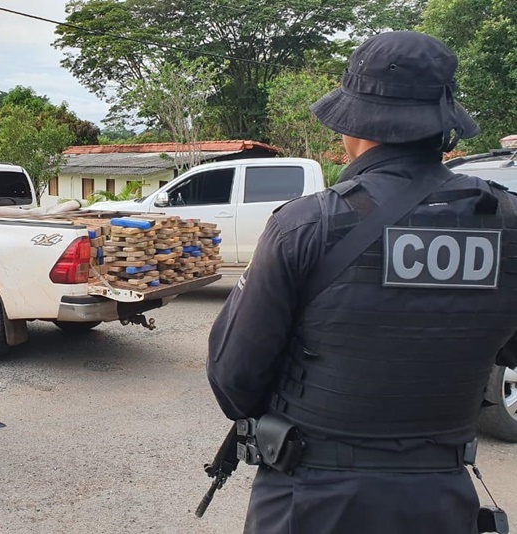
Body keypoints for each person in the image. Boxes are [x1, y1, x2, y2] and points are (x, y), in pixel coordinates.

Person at [206, 30, 517, 534]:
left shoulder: (307, 224)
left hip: (313, 499)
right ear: (442, 125)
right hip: (442, 499)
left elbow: (233, 379)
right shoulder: (507, 223)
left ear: (356, 125)